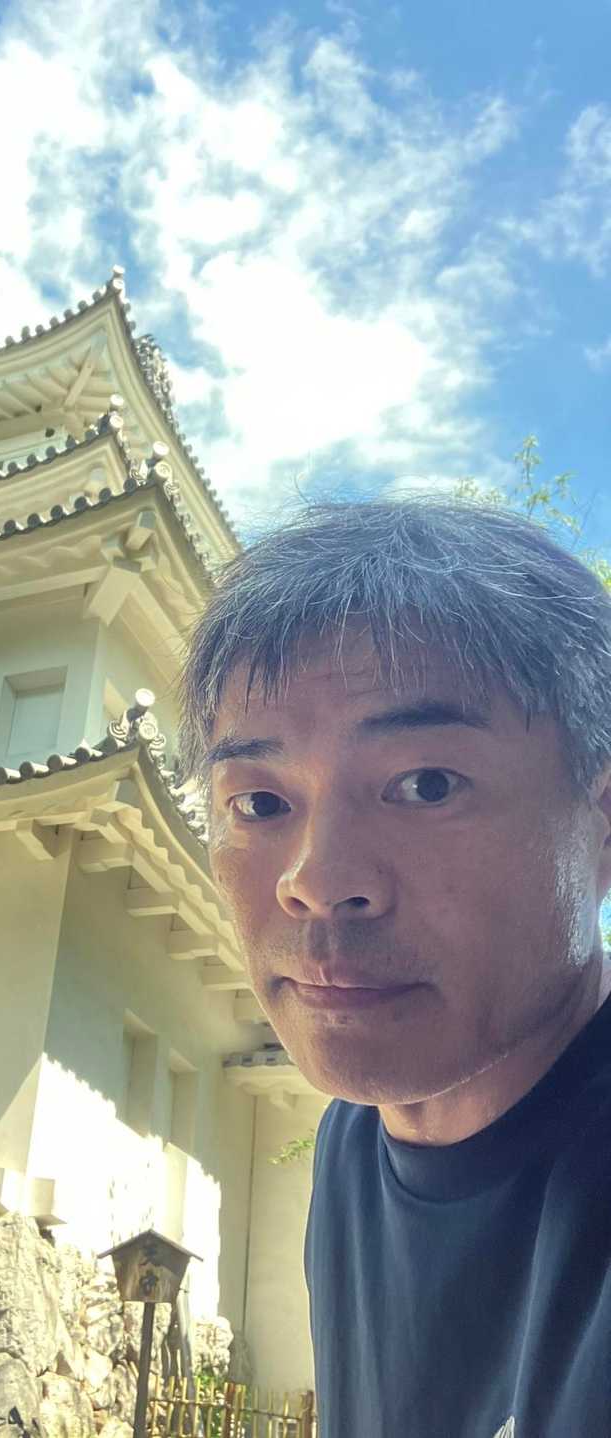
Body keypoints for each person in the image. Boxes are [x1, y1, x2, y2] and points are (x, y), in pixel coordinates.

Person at [179, 500, 611, 1438]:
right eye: (259, 803)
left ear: (603, 822)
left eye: (426, 785)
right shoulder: (352, 1145)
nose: (315, 881)